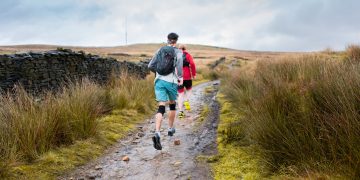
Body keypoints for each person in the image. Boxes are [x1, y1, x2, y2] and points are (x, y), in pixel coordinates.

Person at [148, 32, 183, 150]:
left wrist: (159, 73)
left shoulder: (160, 50)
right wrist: (180, 78)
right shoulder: (178, 52)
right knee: (172, 104)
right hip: (171, 81)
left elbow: (150, 65)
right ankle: (170, 129)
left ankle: (157, 132)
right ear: (176, 41)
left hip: (159, 81)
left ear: (167, 40)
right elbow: (179, 66)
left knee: (161, 107)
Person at [177, 44, 196, 118]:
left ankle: (181, 112)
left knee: (180, 94)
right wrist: (194, 74)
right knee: (189, 91)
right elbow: (192, 64)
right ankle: (186, 102)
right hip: (187, 77)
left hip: (179, 78)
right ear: (185, 48)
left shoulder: (176, 56)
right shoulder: (188, 55)